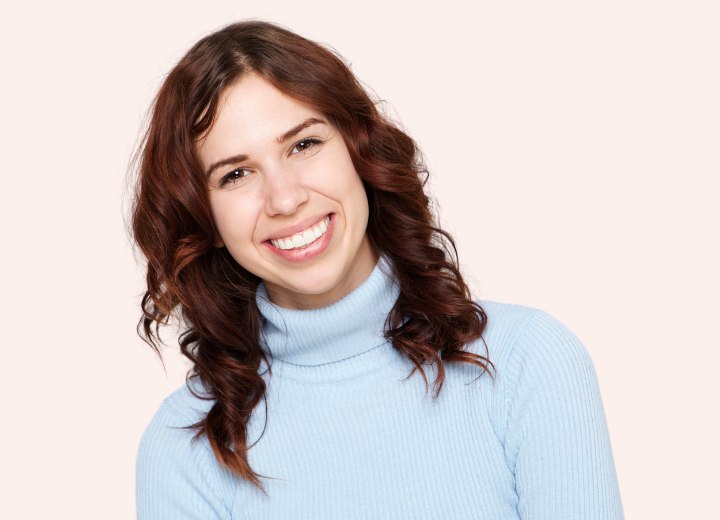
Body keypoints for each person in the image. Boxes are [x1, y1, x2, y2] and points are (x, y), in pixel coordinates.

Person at [130, 20, 624, 519]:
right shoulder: (185, 450)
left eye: (303, 144)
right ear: (205, 219)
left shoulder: (527, 362)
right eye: (235, 174)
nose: (285, 198)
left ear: (357, 149)